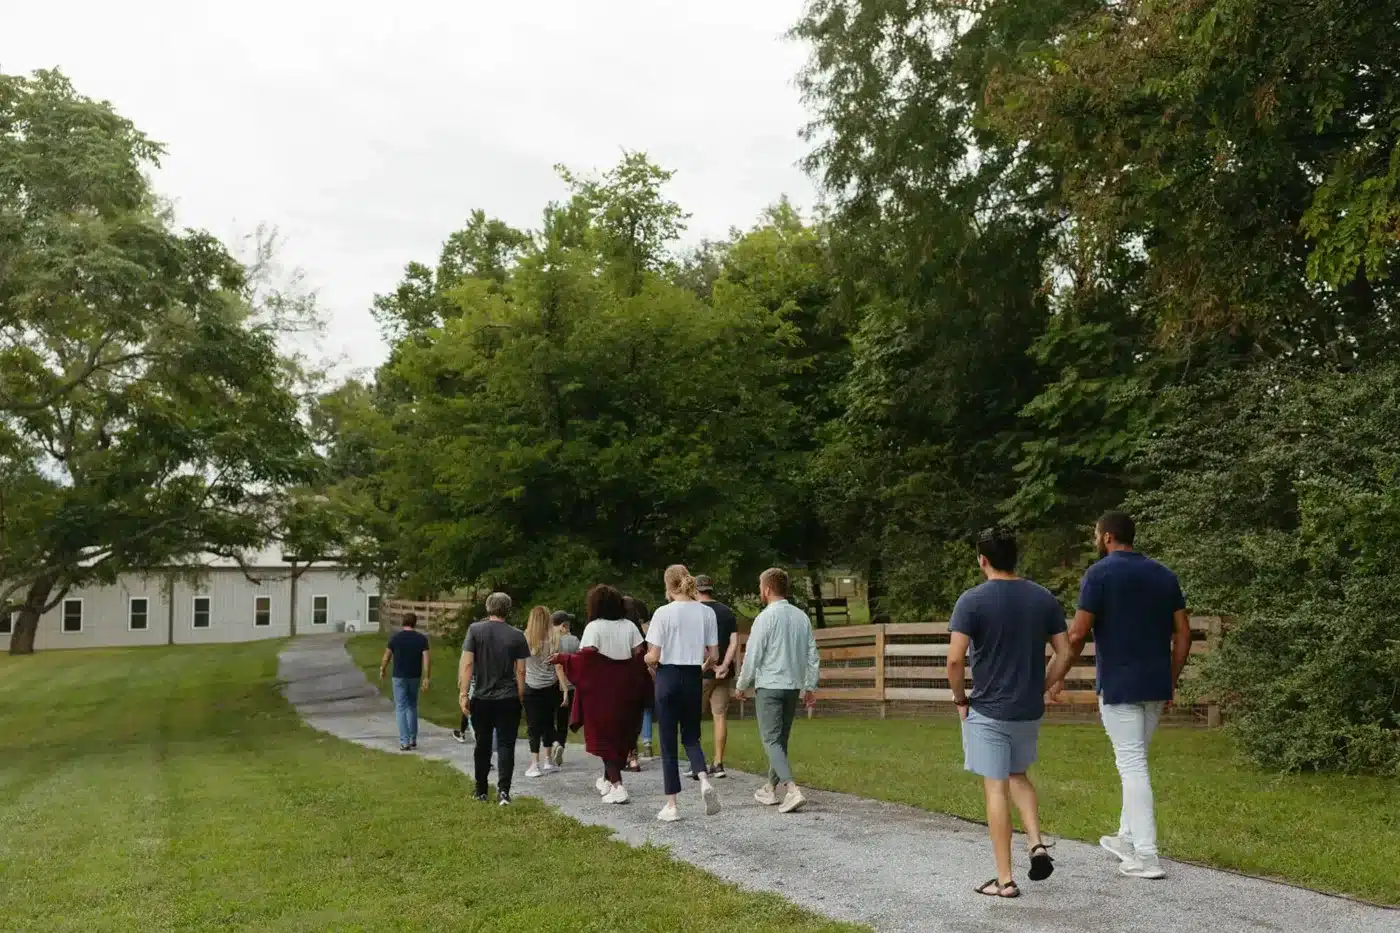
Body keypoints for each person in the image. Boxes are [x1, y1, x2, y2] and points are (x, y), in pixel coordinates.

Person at [1051, 510, 1192, 881]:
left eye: (1097, 534)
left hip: (1120, 685)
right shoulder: (1164, 575)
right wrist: (1171, 678)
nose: (1096, 539)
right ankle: (1126, 838)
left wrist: (1055, 677)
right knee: (1137, 760)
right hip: (1155, 686)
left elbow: (1078, 635)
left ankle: (1146, 856)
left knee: (1132, 766)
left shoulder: (1099, 574)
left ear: (1108, 537)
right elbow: (1184, 634)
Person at [947, 528, 1074, 899]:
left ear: (982, 560)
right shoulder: (1043, 598)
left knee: (996, 787)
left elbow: (955, 660)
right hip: (1027, 709)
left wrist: (960, 700)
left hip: (988, 709)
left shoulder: (971, 601)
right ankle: (1036, 843)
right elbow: (1065, 653)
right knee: (1018, 773)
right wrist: (1041, 685)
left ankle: (1004, 880)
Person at [552, 584, 652, 804]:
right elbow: (639, 657)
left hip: (601, 694)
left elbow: (586, 661)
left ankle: (618, 786)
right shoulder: (630, 627)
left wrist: (563, 658)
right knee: (621, 736)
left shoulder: (594, 628)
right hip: (627, 691)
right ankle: (607, 780)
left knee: (605, 738)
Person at [733, 568, 818, 813]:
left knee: (771, 739)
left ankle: (791, 789)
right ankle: (770, 788)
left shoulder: (765, 618)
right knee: (780, 740)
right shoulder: (801, 617)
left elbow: (753, 655)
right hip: (792, 686)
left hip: (769, 686)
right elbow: (812, 654)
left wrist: (742, 684)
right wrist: (810, 686)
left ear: (767, 589)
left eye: (761, 587)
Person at [645, 564, 721, 822]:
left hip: (667, 675)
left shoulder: (663, 613)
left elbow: (653, 656)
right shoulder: (706, 612)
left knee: (668, 741)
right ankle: (703, 780)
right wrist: (703, 666)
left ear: (668, 586)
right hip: (692, 676)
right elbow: (715, 656)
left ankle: (672, 804)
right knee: (691, 736)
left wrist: (645, 658)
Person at [459, 592, 529, 806]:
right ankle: (504, 792)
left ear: (488, 608)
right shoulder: (517, 635)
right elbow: (521, 671)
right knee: (507, 745)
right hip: (508, 697)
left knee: (483, 743)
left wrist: (463, 693)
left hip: (482, 696)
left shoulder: (475, 631)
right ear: (508, 610)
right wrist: (520, 695)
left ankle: (481, 790)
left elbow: (468, 664)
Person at [696, 575, 739, 778]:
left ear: (696, 590)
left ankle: (697, 764)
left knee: (693, 717)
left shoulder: (696, 611)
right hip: (724, 672)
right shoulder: (726, 611)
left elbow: (699, 641)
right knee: (719, 716)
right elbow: (734, 641)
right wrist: (724, 665)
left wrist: (712, 666)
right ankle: (718, 763)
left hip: (703, 671)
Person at [522, 606, 564, 778]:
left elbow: (520, 665)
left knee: (533, 726)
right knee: (548, 722)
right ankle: (548, 760)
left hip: (531, 686)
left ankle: (534, 764)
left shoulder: (526, 638)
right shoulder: (554, 637)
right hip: (551, 685)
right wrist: (565, 688)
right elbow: (558, 664)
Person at [379, 612, 430, 752]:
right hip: (415, 676)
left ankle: (404, 741)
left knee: (401, 707)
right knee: (412, 706)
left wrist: (383, 669)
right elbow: (426, 659)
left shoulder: (395, 638)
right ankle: (413, 738)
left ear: (403, 623)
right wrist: (427, 677)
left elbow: (386, 656)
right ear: (415, 623)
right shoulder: (421, 639)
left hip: (399, 676)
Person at [622, 595, 653, 769]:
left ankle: (628, 754)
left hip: (622, 679)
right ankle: (634, 755)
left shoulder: (620, 629)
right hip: (640, 679)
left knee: (622, 718)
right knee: (637, 717)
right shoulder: (641, 631)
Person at [551, 610, 579, 766]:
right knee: (563, 719)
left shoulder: (547, 641)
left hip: (550, 684)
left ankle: (553, 742)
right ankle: (560, 743)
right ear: (562, 626)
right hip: (569, 685)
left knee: (550, 718)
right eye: (567, 624)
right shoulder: (574, 641)